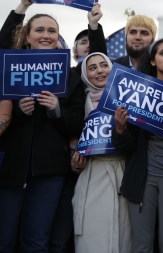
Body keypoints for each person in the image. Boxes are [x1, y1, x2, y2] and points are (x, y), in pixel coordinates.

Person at [0, 13, 85, 252]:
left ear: (58, 38)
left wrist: (57, 111)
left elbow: (78, 123)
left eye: (52, 31)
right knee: (4, 239)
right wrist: (19, 112)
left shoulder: (71, 76)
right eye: (39, 30)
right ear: (27, 37)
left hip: (50, 171)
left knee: (36, 241)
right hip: (10, 168)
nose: (46, 35)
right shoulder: (8, 68)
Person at [112, 38, 163, 253]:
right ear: (152, 61)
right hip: (143, 178)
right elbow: (126, 147)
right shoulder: (136, 93)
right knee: (141, 245)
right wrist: (120, 129)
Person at [71, 52, 132, 253]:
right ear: (85, 74)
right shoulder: (79, 102)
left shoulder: (128, 97)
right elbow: (72, 138)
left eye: (103, 65)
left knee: (124, 237)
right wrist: (75, 162)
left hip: (123, 174)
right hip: (92, 174)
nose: (99, 71)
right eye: (93, 67)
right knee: (92, 236)